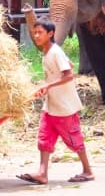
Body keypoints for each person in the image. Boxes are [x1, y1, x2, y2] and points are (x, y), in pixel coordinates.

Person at [17, 13, 94, 185]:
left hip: (64, 107)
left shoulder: (55, 52)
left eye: (40, 32)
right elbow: (68, 66)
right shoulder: (47, 53)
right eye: (34, 32)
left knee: (74, 140)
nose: (36, 36)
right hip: (51, 106)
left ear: (50, 34)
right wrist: (47, 88)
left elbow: (69, 75)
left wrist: (48, 86)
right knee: (44, 138)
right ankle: (42, 173)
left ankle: (88, 171)